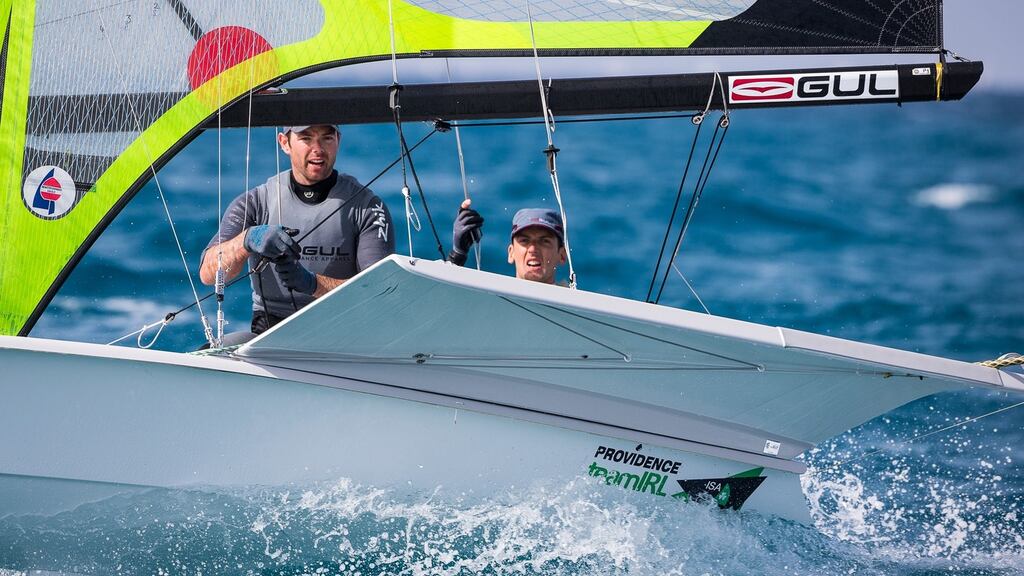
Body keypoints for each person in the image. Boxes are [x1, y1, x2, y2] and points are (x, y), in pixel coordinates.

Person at [200, 124, 394, 334]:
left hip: (345, 333)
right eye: (306, 138)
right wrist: (247, 240)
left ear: (338, 139)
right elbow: (208, 275)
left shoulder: (368, 207)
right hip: (269, 334)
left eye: (326, 138)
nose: (317, 148)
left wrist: (312, 284)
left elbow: (380, 291)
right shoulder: (256, 203)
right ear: (285, 143)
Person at [450, 202, 566, 285]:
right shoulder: (489, 302)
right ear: (511, 253)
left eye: (544, 241)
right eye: (524, 240)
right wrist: (457, 256)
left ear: (562, 255)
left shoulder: (578, 309)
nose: (532, 249)